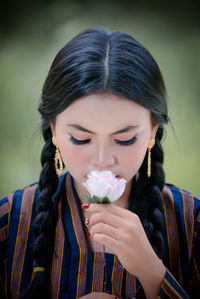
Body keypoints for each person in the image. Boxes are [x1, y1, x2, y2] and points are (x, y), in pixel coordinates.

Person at [0, 28, 199, 299]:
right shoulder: (8, 221)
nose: (103, 161)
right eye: (81, 139)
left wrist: (153, 273)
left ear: (152, 130)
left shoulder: (192, 222)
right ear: (54, 129)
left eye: (125, 139)